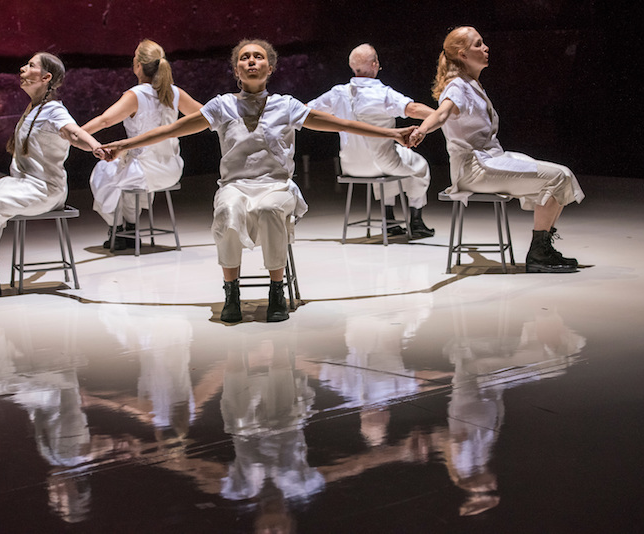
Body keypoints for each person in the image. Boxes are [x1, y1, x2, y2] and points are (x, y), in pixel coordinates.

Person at [100, 39, 414, 323]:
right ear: (236, 69)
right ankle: (231, 291)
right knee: (228, 210)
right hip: (235, 186)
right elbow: (171, 130)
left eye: (258, 57)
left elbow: (341, 124)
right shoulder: (222, 105)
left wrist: (393, 133)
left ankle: (276, 290)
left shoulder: (287, 105)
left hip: (276, 186)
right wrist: (124, 145)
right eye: (245, 57)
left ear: (270, 67)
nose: (252, 61)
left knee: (270, 208)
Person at [409, 27, 585, 273]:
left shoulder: (472, 84)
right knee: (556, 177)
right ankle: (539, 252)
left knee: (562, 174)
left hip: (491, 159)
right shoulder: (457, 86)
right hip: (475, 168)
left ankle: (542, 246)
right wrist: (422, 130)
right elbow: (442, 114)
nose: (486, 48)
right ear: (462, 54)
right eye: (478, 44)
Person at [0, 52, 104, 300]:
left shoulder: (54, 110)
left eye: (31, 65)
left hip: (43, 189)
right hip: (21, 183)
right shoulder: (33, 108)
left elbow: (73, 134)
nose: (22, 68)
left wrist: (95, 146)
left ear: (46, 77)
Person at [82, 40, 202, 249]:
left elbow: (105, 121)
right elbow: (204, 115)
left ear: (138, 65)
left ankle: (118, 227)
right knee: (123, 174)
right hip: (172, 169)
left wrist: (74, 134)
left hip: (144, 170)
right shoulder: (175, 93)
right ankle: (129, 227)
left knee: (103, 172)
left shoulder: (136, 95)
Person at [308, 43, 436, 237]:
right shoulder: (383, 93)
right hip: (382, 163)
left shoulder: (337, 93)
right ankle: (416, 220)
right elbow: (413, 109)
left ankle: (389, 220)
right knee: (420, 166)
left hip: (349, 166)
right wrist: (442, 116)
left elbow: (306, 111)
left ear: (353, 66)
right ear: (375, 64)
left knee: (388, 162)